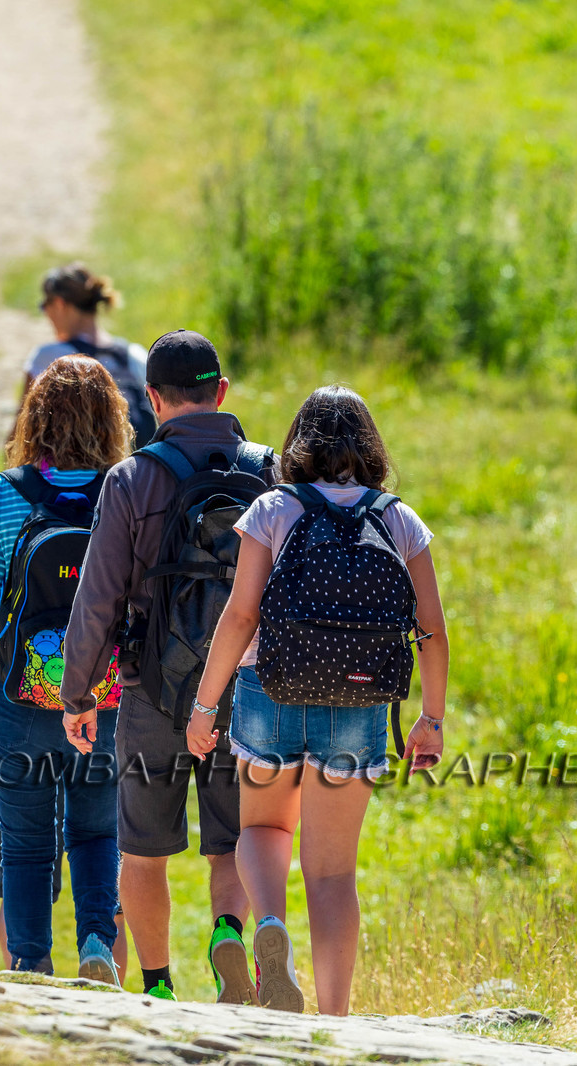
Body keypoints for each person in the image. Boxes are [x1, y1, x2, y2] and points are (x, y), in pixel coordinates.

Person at [186, 385, 450, 1015]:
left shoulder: (274, 508)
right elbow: (433, 629)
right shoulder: (398, 517)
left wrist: (203, 706)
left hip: (269, 689)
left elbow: (241, 614)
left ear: (296, 444)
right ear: (371, 448)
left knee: (263, 826)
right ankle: (336, 1016)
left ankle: (271, 926)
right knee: (333, 873)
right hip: (360, 703)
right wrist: (431, 720)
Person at [61, 329, 274, 1003]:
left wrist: (78, 693)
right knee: (232, 842)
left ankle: (155, 986)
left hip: (151, 687)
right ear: (222, 392)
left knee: (143, 852)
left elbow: (98, 599)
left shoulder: (131, 478)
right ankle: (228, 937)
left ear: (151, 398)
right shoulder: (267, 472)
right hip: (245, 689)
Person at [0, 356, 133, 979]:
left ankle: (30, 964)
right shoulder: (129, 488)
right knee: (97, 832)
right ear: (112, 417)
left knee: (24, 842)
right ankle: (98, 946)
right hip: (106, 696)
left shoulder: (7, 494)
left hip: (19, 693)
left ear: (36, 416)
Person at [23, 263, 155, 447]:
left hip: (79, 473)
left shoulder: (48, 358)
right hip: (138, 472)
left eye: (45, 306)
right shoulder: (136, 355)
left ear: (60, 304)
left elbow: (21, 434)